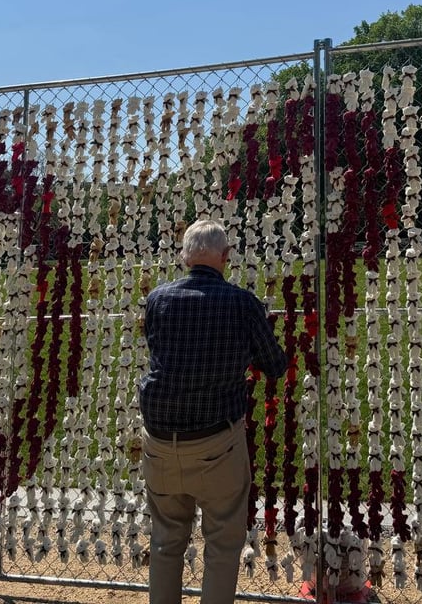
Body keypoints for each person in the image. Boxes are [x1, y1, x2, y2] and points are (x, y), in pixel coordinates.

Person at [138, 218, 288, 604]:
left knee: (166, 540)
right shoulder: (242, 303)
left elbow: (159, 352)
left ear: (185, 256)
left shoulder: (158, 299)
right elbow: (274, 364)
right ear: (226, 257)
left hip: (159, 442)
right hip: (216, 443)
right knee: (222, 544)